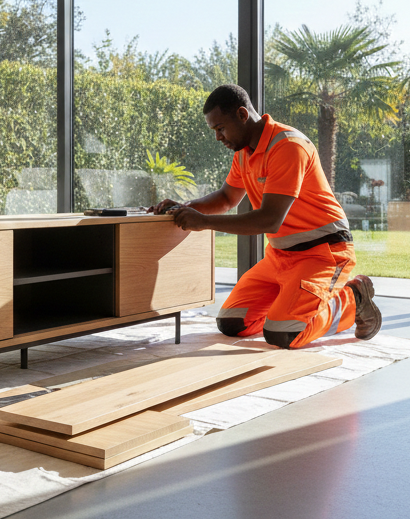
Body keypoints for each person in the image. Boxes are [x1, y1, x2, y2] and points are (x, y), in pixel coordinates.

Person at [148, 83, 381, 348]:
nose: (218, 137)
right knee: (233, 323)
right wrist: (185, 207)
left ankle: (352, 299)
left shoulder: (288, 146)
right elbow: (226, 198)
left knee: (285, 334)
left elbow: (269, 219)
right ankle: (293, 304)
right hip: (280, 257)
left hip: (323, 253)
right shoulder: (243, 152)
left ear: (242, 115)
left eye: (220, 128)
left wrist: (202, 222)